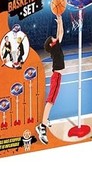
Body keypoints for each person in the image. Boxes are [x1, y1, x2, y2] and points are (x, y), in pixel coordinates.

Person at [36, 14, 65, 144]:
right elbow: (61, 33)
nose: (55, 38)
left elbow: (59, 33)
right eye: (53, 39)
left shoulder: (55, 47)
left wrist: (59, 21)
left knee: (51, 101)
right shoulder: (55, 47)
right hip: (56, 77)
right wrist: (60, 20)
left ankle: (44, 121)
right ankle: (42, 127)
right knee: (50, 101)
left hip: (56, 76)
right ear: (52, 43)